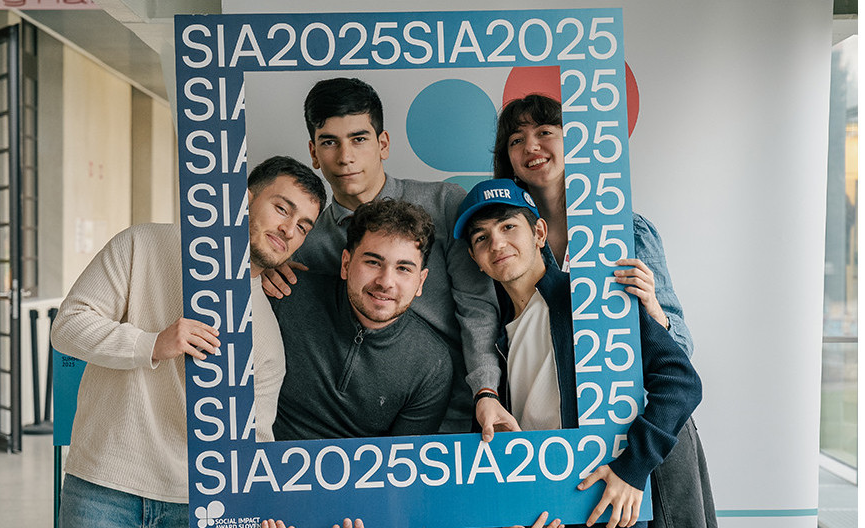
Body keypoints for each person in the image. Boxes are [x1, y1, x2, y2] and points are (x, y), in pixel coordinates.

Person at [50, 156, 326, 528]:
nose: (290, 229)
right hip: (103, 484)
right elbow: (67, 326)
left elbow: (254, 443)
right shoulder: (144, 244)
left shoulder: (267, 334)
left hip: (194, 503)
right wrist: (153, 344)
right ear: (243, 199)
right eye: (282, 209)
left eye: (304, 226)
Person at [492, 94, 715, 527]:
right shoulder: (508, 242)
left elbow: (680, 356)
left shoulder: (625, 228)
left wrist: (653, 309)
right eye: (516, 140)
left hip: (645, 434)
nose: (531, 146)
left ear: (572, 142)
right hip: (566, 446)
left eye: (545, 132)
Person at [262, 77, 511, 434]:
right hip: (368, 424)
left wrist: (486, 390)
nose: (345, 157)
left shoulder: (445, 204)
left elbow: (477, 308)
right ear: (314, 153)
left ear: (383, 144)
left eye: (359, 139)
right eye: (329, 142)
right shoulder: (304, 239)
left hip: (467, 411)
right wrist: (264, 268)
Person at [455, 179, 702, 528]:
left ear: (539, 233)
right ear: (474, 259)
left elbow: (681, 382)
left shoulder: (591, 300)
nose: (497, 243)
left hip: (614, 508)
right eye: (481, 238)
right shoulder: (493, 343)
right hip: (554, 510)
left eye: (508, 227)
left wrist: (632, 468)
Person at [271, 199, 453, 440]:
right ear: (346, 264)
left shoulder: (432, 365)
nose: (385, 282)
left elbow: (402, 459)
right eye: (373, 262)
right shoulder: (284, 294)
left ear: (420, 282)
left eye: (403, 269)